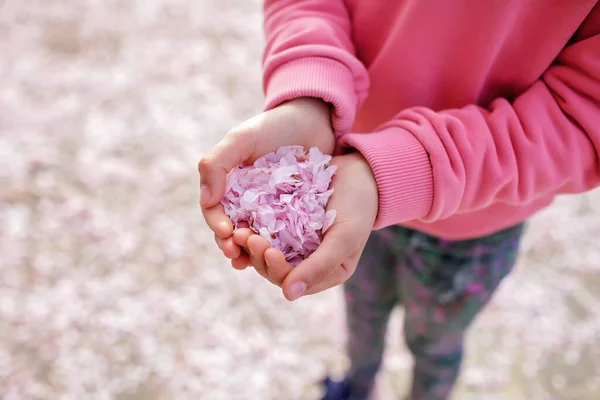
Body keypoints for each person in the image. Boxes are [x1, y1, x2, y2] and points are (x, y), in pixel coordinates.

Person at [199, 1, 600, 399]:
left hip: (474, 222)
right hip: (346, 189)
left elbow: (587, 111)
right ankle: (359, 386)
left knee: (435, 345)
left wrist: (405, 167)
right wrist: (311, 89)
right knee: (362, 317)